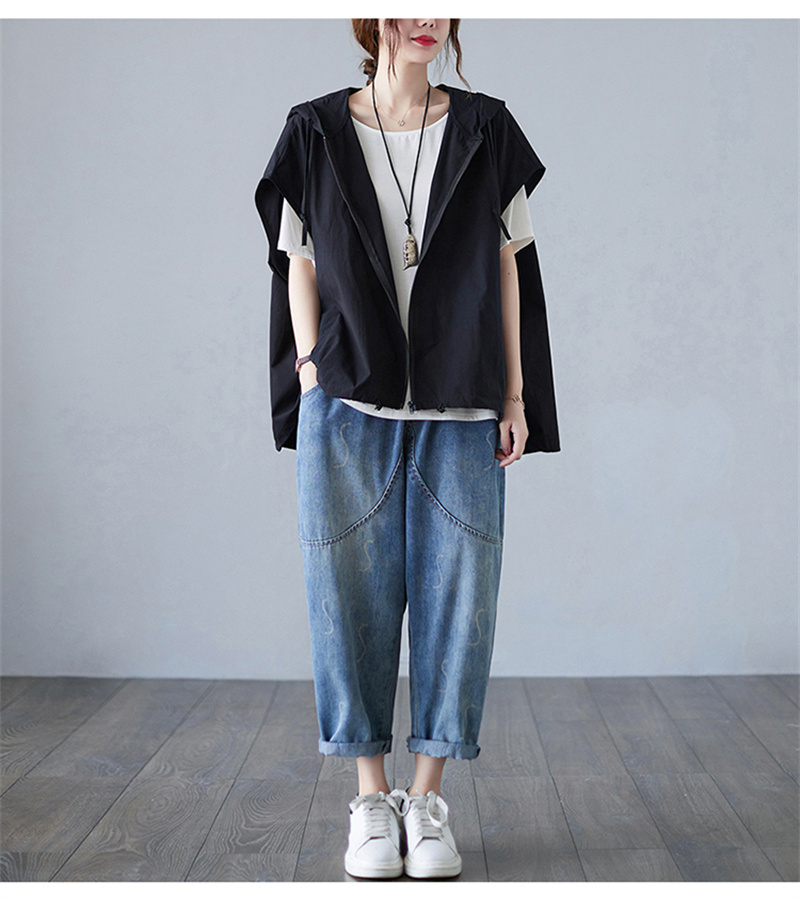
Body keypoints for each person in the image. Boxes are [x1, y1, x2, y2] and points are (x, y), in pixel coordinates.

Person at [255, 18, 559, 880]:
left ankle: (425, 800)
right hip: (348, 403)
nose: (428, 16)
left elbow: (511, 262)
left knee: (461, 602)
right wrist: (311, 369)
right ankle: (369, 800)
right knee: (345, 598)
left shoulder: (486, 127)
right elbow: (297, 258)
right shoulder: (315, 129)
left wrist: (515, 396)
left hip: (463, 405)